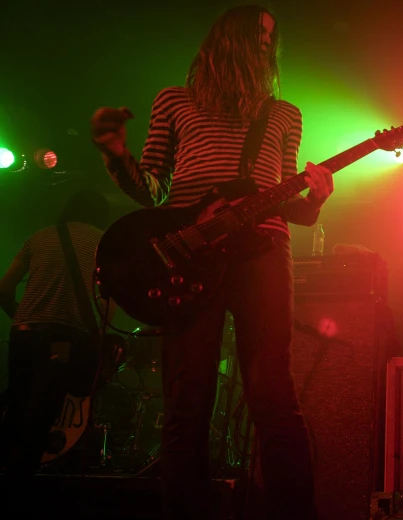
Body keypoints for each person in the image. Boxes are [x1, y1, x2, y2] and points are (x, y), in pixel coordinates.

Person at [90, 5, 333, 519]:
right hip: (188, 255)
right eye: (258, 35)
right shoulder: (173, 101)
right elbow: (153, 189)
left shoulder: (284, 113)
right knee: (186, 405)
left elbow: (287, 201)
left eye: (272, 39)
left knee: (272, 397)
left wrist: (314, 198)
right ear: (229, 38)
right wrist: (117, 157)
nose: (266, 45)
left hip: (262, 251)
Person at [0, 189, 113, 507]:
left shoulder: (39, 237)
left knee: (16, 407)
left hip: (23, 333)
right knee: (40, 415)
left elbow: (4, 288)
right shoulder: (102, 242)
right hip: (64, 337)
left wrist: (25, 317)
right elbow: (107, 306)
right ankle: (16, 493)